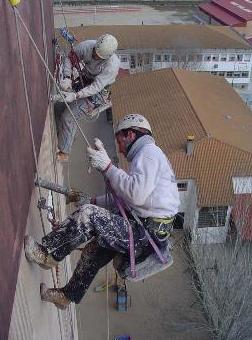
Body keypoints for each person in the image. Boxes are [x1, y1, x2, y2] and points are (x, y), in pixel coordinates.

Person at [24, 114, 180, 309]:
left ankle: (46, 254)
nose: (120, 148)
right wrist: (91, 199)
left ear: (130, 134)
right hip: (148, 231)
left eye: (119, 140)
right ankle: (66, 296)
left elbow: (135, 195)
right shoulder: (149, 156)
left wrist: (107, 167)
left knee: (88, 215)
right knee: (94, 250)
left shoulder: (148, 153)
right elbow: (127, 198)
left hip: (144, 232)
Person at [55, 34, 120, 161]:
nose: (95, 56)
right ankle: (69, 136)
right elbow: (70, 57)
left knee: (68, 117)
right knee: (60, 106)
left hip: (98, 93)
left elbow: (96, 87)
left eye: (99, 56)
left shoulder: (112, 65)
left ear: (107, 57)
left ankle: (64, 153)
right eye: (95, 52)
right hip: (86, 78)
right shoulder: (88, 46)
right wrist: (67, 77)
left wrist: (76, 95)